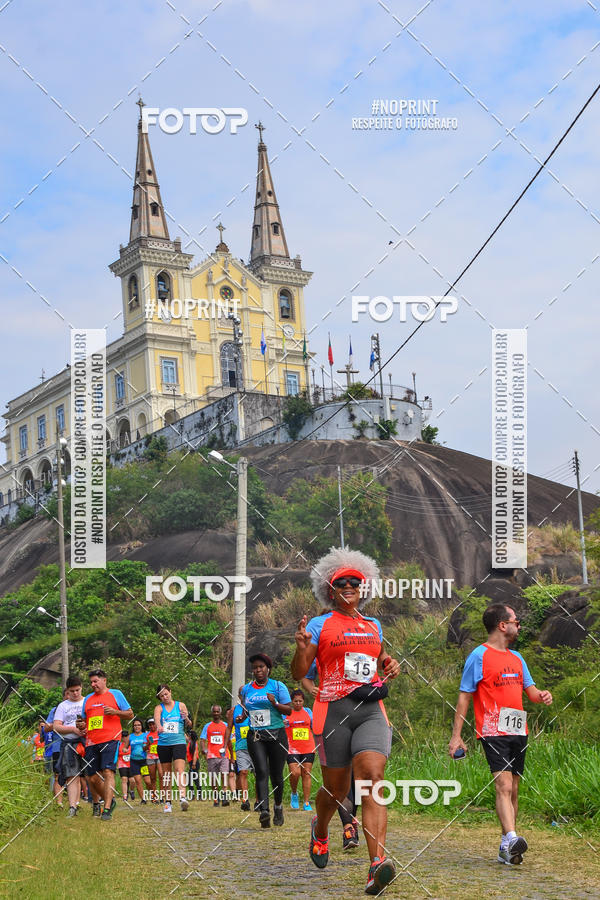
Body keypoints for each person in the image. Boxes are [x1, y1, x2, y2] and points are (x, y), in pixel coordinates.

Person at [291, 547, 401, 895]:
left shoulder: (373, 624)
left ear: (363, 588)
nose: (350, 586)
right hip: (333, 710)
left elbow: (380, 656)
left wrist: (390, 664)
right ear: (331, 589)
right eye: (343, 582)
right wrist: (301, 647)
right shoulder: (318, 625)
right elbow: (299, 672)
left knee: (372, 779)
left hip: (370, 710)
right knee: (337, 791)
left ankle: (375, 865)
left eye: (356, 582)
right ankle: (320, 828)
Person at [449, 603, 553, 866]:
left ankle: (506, 846)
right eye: (515, 621)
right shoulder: (478, 656)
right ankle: (513, 837)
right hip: (493, 730)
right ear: (501, 625)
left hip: (518, 729)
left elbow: (530, 691)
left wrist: (542, 696)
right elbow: (464, 696)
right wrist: (456, 736)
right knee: (503, 786)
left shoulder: (517, 659)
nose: (518, 625)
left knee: (514, 790)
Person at [302, 661, 359, 850]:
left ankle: (350, 823)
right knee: (339, 784)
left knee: (358, 779)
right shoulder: (321, 637)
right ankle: (348, 827)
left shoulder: (361, 637)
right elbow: (303, 674)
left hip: (362, 715)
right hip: (332, 718)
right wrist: (311, 688)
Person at [240, 653, 292, 829]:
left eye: (261, 667)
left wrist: (275, 703)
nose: (258, 670)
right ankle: (264, 811)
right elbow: (247, 710)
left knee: (276, 775)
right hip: (256, 736)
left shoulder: (278, 686)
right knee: (261, 771)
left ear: (268, 668)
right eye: (255, 668)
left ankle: (277, 806)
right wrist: (241, 717)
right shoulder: (247, 689)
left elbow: (289, 710)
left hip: (277, 735)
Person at [79, 668, 133, 820]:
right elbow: (84, 721)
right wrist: (81, 725)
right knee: (92, 777)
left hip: (111, 739)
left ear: (104, 680)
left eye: (96, 681)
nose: (93, 684)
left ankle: (107, 809)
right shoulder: (88, 699)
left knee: (108, 772)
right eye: (91, 682)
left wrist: (115, 712)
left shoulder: (116, 694)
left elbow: (130, 713)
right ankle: (110, 799)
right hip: (91, 741)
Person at [153, 684, 192, 813]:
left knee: (179, 769)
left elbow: (189, 724)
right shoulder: (159, 708)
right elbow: (157, 719)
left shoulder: (180, 705)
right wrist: (159, 726)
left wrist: (186, 717)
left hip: (179, 742)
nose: (165, 697)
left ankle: (182, 798)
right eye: (162, 696)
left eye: (166, 694)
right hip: (163, 744)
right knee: (166, 774)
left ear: (170, 692)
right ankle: (168, 802)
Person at [53, 675, 86, 817]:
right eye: (72, 691)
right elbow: (56, 726)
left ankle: (99, 803)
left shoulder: (87, 702)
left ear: (81, 688)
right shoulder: (63, 706)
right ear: (67, 690)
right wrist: (73, 729)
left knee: (92, 775)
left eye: (77, 690)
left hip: (88, 743)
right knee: (72, 776)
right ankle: (72, 806)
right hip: (69, 744)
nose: (75, 693)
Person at [285, 689, 315, 811]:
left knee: (306, 774)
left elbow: (314, 726)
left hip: (308, 747)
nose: (298, 703)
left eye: (300, 701)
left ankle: (306, 802)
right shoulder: (286, 713)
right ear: (292, 701)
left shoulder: (308, 712)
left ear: (303, 701)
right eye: (295, 701)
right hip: (291, 748)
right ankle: (294, 793)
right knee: (295, 773)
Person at [225, 689, 252, 812]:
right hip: (241, 747)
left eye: (246, 694)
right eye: (242, 694)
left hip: (257, 745)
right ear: (239, 696)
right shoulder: (233, 711)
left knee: (259, 774)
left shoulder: (255, 707)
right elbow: (229, 728)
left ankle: (259, 800)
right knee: (243, 772)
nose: (244, 696)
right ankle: (245, 800)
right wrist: (225, 744)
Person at [200, 705, 232, 807]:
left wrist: (231, 755)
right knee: (214, 778)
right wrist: (204, 749)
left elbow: (229, 741)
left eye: (218, 712)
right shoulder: (207, 726)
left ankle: (224, 796)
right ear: (212, 713)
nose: (216, 713)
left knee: (224, 775)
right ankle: (215, 798)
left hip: (223, 755)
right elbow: (202, 740)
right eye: (214, 712)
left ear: (220, 713)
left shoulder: (226, 725)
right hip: (211, 756)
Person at [128, 717, 152, 802]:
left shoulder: (146, 735)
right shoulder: (130, 737)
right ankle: (143, 799)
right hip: (134, 761)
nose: (137, 727)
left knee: (148, 781)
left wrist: (149, 748)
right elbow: (125, 747)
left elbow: (151, 744)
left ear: (141, 726)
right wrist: (124, 750)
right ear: (133, 727)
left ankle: (152, 796)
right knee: (138, 781)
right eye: (135, 725)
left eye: (138, 725)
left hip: (144, 761)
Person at [144, 717, 161, 803]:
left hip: (160, 757)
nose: (152, 726)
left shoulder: (160, 732)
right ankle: (154, 797)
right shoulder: (146, 735)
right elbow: (144, 748)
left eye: (153, 724)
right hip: (150, 757)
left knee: (161, 775)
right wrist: (148, 744)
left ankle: (162, 796)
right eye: (150, 725)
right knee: (153, 778)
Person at [117, 731, 131, 802]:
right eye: (123, 736)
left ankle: (131, 791)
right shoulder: (119, 745)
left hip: (131, 764)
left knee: (132, 780)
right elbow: (117, 753)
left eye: (126, 736)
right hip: (122, 764)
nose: (124, 738)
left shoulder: (131, 744)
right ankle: (125, 796)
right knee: (124, 779)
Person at [186, 730, 200, 799]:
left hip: (194, 763)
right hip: (191, 763)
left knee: (194, 780)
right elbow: (186, 738)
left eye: (189, 735)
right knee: (191, 780)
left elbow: (195, 754)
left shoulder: (195, 744)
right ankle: (194, 795)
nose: (188, 736)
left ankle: (197, 795)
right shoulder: (190, 742)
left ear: (191, 736)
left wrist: (193, 764)